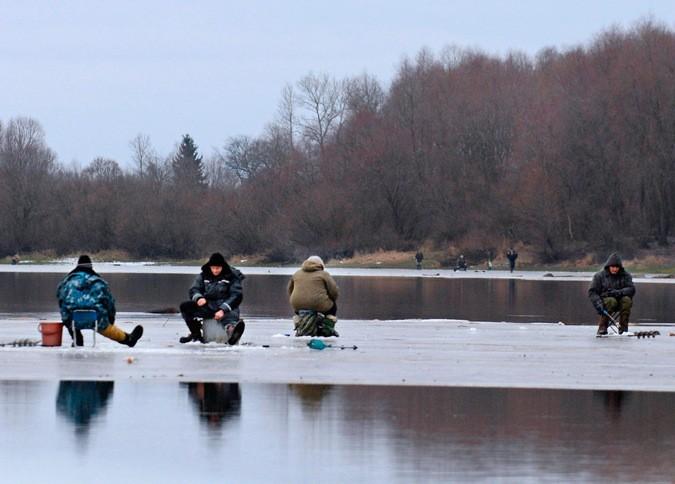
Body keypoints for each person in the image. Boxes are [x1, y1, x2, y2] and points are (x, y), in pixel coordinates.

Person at [56, 255, 143, 347]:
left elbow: (61, 299)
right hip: (96, 318)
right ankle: (128, 339)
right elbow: (109, 302)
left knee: (69, 314)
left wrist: (65, 317)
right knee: (104, 326)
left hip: (72, 319)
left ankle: (77, 339)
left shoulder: (66, 282)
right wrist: (111, 318)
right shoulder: (99, 283)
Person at [179, 252, 245, 345]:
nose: (215, 270)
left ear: (223, 267)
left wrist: (223, 309)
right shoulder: (203, 275)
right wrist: (198, 298)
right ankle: (195, 334)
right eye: (213, 268)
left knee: (229, 318)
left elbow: (236, 295)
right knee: (185, 307)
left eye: (217, 268)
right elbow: (194, 289)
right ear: (210, 267)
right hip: (208, 305)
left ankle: (232, 332)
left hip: (227, 306)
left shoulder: (232, 276)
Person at [288, 256, 339, 336]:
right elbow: (334, 291)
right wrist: (332, 299)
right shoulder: (324, 274)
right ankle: (327, 328)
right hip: (318, 304)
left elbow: (290, 289)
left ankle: (298, 323)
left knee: (298, 311)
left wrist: (295, 299)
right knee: (333, 307)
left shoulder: (296, 274)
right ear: (321, 265)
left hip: (298, 304)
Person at [588, 253, 636, 335]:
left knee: (627, 300)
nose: (615, 269)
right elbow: (592, 292)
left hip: (621, 302)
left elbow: (631, 289)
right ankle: (603, 327)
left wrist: (618, 292)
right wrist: (598, 303)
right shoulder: (599, 276)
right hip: (605, 303)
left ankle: (623, 329)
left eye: (617, 267)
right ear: (608, 266)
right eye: (613, 267)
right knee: (611, 301)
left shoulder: (626, 276)